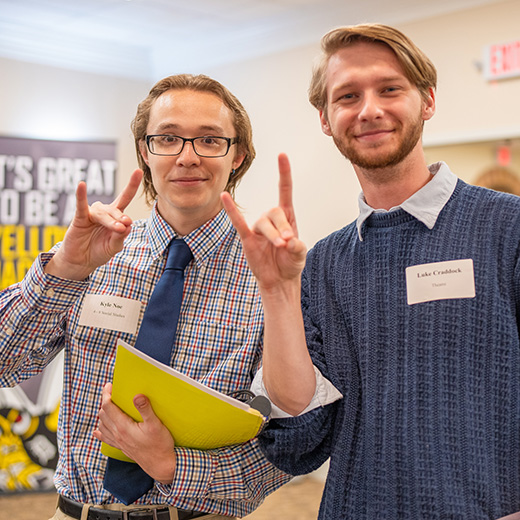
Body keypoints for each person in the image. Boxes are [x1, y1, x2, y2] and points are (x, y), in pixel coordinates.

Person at [222, 24, 520, 520]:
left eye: (389, 88)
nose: (369, 109)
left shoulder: (507, 228)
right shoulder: (322, 262)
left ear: (427, 100)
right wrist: (277, 292)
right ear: (325, 118)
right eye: (347, 96)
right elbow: (302, 434)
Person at [0, 74, 290, 520]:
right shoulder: (95, 254)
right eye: (168, 138)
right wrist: (63, 271)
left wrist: (175, 466)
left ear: (238, 155)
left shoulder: (272, 276)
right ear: (144, 151)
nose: (187, 157)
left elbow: (292, 441)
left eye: (210, 140)